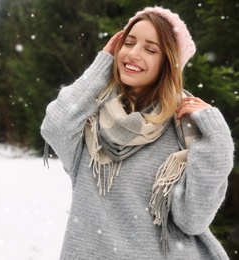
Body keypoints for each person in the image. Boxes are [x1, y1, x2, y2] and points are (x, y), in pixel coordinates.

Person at [40, 6, 234, 260]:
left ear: (169, 64)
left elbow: (192, 220)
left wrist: (217, 136)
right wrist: (104, 62)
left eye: (150, 49)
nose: (133, 54)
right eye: (128, 43)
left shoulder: (183, 128)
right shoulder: (91, 124)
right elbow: (55, 125)